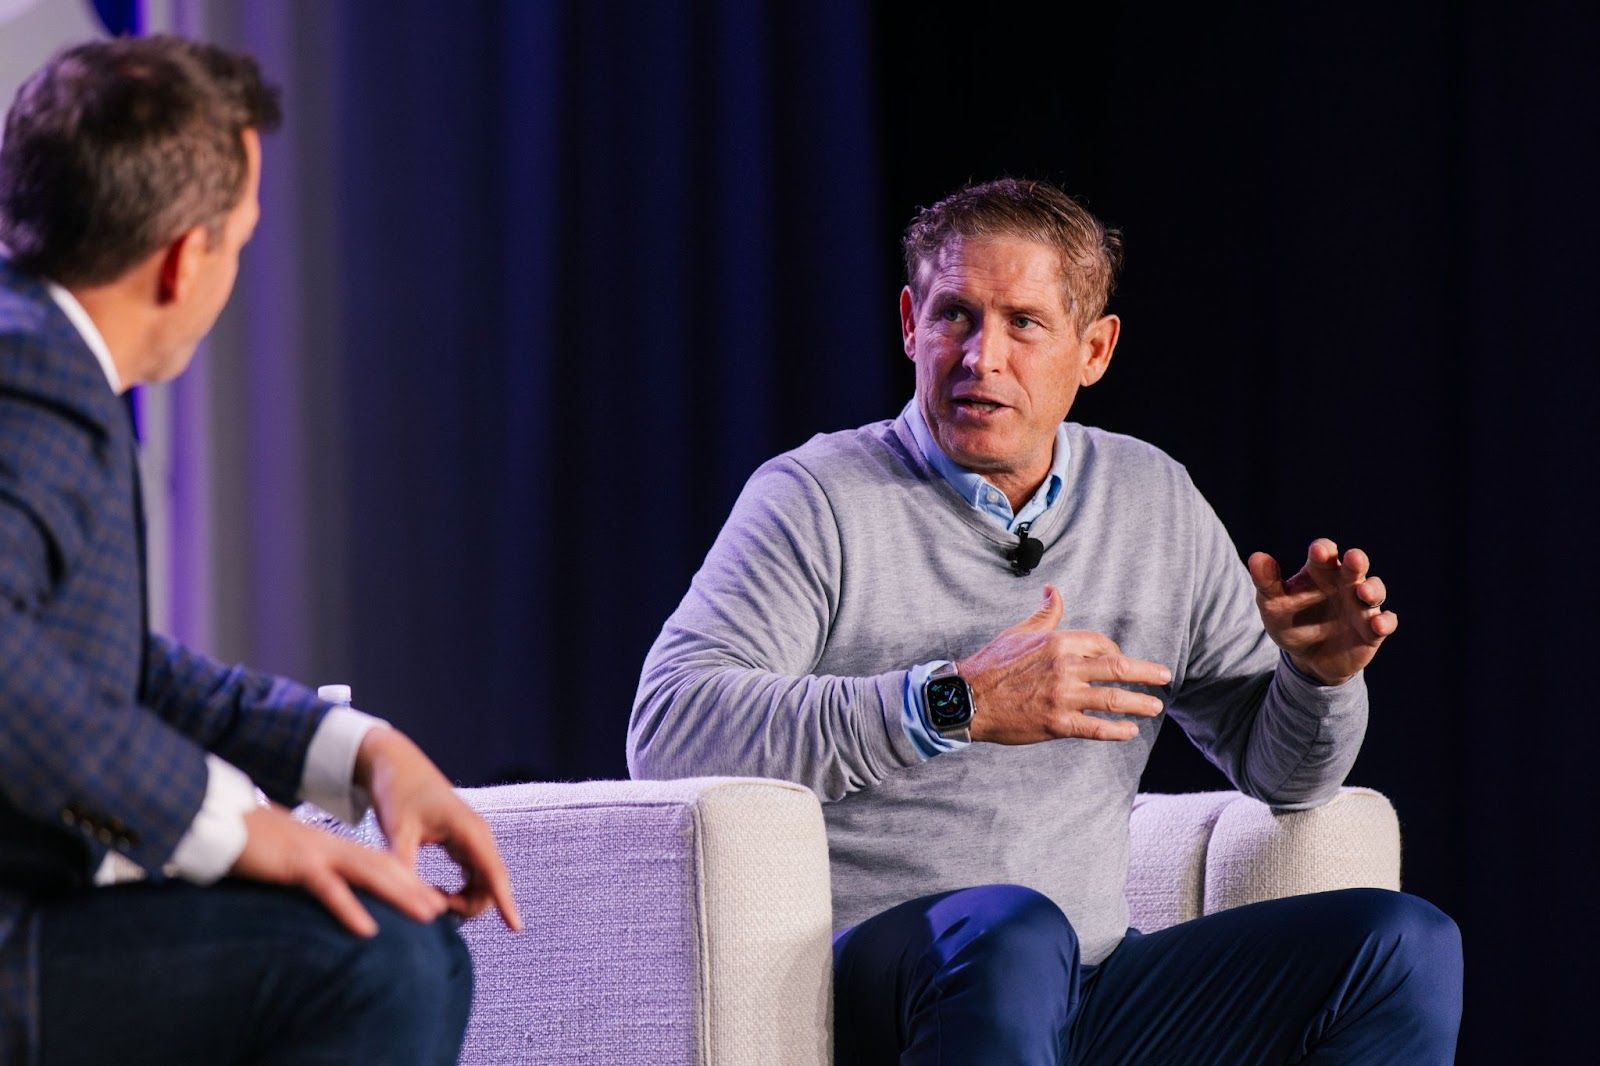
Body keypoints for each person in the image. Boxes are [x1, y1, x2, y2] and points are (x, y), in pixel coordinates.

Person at [630, 178, 1463, 1063]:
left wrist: (1320, 682)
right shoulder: (816, 499)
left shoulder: (1152, 500)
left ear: (1094, 349)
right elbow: (671, 730)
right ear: (910, 323)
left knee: (1400, 946)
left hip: (1090, 985)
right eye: (955, 315)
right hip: (885, 981)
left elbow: (1281, 773)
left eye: (1024, 323)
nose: (980, 357)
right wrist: (952, 702)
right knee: (1011, 930)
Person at [1, 36, 520, 1065]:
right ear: (185, 257)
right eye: (240, 241)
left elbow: (114, 671)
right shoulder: (33, 380)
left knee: (399, 937)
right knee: (380, 958)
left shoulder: (42, 361)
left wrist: (358, 754)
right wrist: (239, 828)